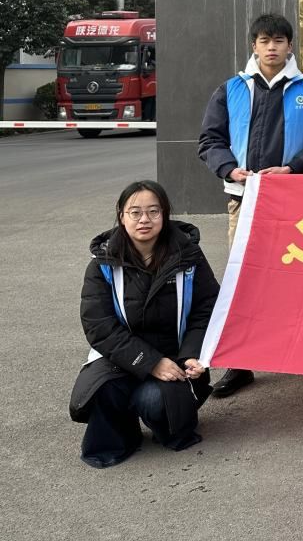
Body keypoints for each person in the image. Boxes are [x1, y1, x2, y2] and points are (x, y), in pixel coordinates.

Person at [198, 11, 303, 393]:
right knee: (243, 282)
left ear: (290, 46)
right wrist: (229, 169)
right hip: (243, 202)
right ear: (254, 45)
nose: (272, 47)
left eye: (279, 41)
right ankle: (240, 364)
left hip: (296, 205)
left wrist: (293, 168)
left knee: (300, 282)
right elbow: (210, 140)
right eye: (265, 41)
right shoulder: (231, 89)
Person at [70, 181, 220, 468]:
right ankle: (122, 435)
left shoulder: (189, 256)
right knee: (102, 390)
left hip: (176, 357)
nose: (144, 220)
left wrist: (192, 354)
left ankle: (171, 424)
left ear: (165, 214)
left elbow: (207, 309)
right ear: (121, 215)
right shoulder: (102, 263)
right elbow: (98, 325)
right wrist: (149, 362)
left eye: (153, 211)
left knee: (152, 400)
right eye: (135, 212)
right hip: (122, 358)